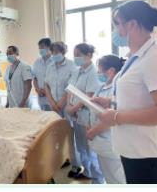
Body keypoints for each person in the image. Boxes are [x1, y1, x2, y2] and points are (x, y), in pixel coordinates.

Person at [87, 0, 157, 184]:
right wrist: (110, 102)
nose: (116, 31)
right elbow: (138, 98)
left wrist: (116, 117)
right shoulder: (135, 58)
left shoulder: (155, 58)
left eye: (117, 24)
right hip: (134, 151)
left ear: (132, 24)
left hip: (151, 156)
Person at [65, 44, 104, 182]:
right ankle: (87, 174)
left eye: (78, 55)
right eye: (74, 54)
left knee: (90, 150)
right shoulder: (77, 71)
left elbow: (89, 96)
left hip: (86, 116)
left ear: (89, 55)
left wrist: (73, 109)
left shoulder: (93, 73)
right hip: (76, 115)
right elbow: (70, 90)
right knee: (81, 148)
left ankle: (97, 180)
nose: (75, 57)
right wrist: (69, 106)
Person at [88, 55, 127, 184]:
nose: (98, 74)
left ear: (111, 71)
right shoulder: (102, 87)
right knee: (108, 176)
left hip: (111, 142)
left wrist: (93, 131)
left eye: (100, 71)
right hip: (100, 142)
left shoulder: (119, 87)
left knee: (118, 178)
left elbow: (111, 118)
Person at [44, 41, 74, 116]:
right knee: (56, 123)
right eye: (52, 52)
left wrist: (61, 103)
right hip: (53, 104)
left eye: (56, 52)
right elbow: (46, 85)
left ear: (63, 52)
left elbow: (72, 87)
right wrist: (51, 102)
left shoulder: (71, 65)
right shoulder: (50, 66)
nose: (54, 54)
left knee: (67, 123)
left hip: (67, 104)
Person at [32, 37, 53, 111]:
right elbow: (34, 78)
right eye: (39, 48)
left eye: (42, 47)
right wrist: (37, 90)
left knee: (54, 117)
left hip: (53, 99)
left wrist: (47, 91)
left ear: (49, 47)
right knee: (44, 117)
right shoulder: (37, 62)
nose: (40, 49)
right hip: (41, 98)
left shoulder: (55, 62)